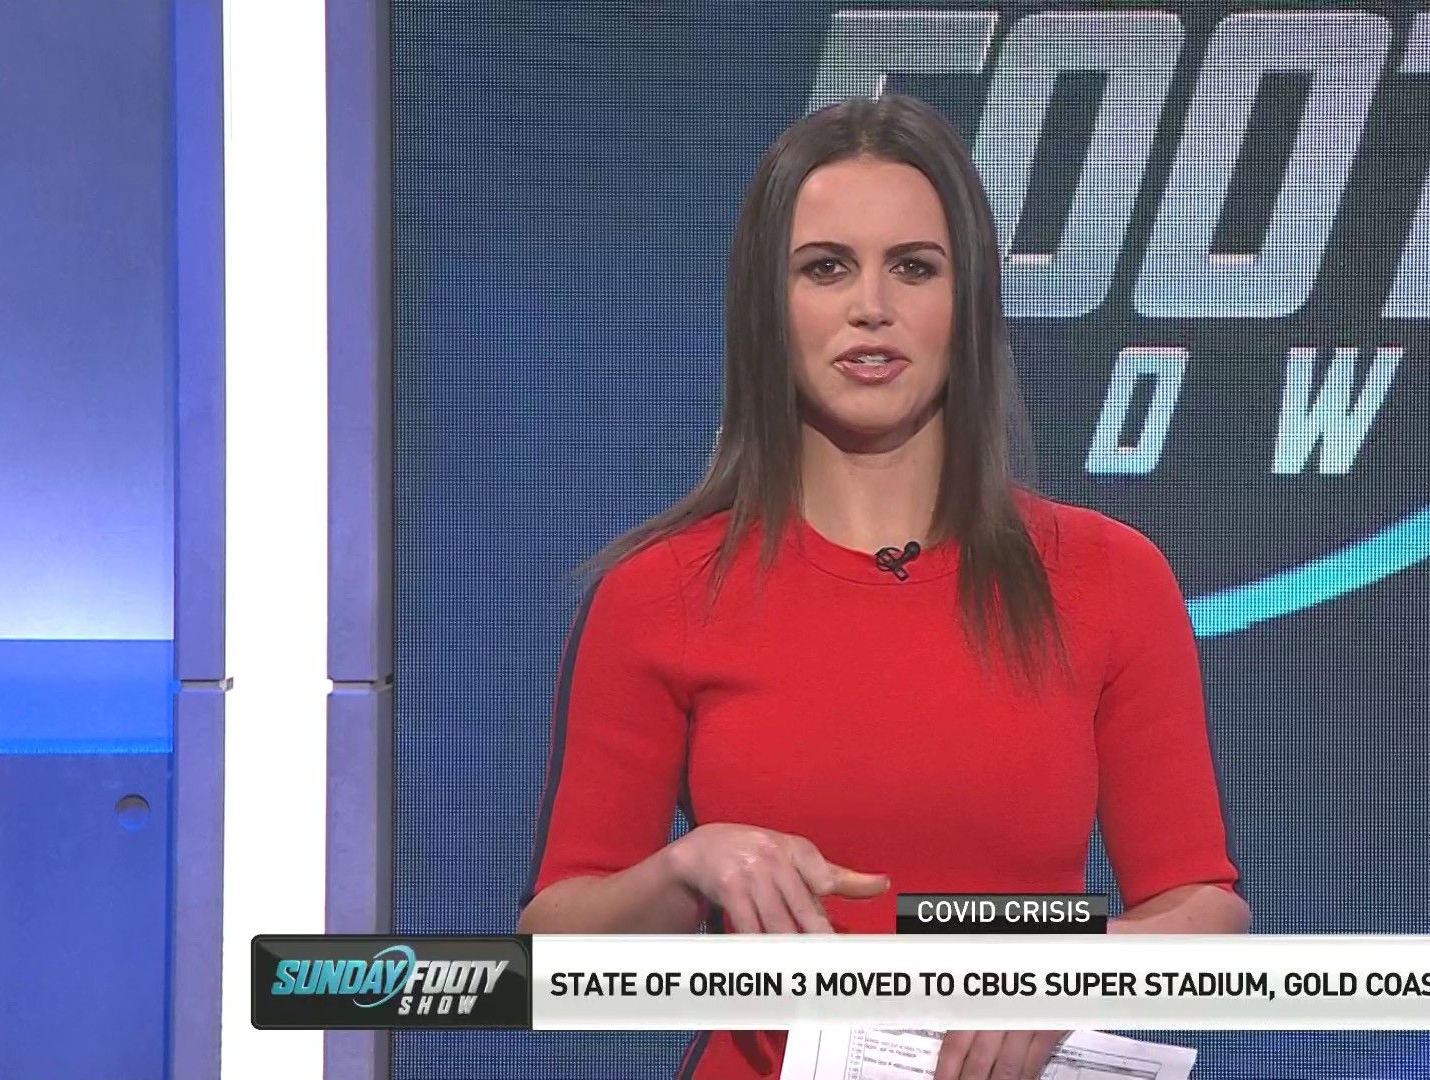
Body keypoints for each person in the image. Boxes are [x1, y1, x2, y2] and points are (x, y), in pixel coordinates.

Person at [518, 93, 1247, 1080]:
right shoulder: (661, 594)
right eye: (826, 267)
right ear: (769, 307)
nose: (873, 305)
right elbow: (553, 955)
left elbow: (1202, 909)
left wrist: (1070, 973)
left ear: (967, 301)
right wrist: (690, 866)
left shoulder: (1108, 578)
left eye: (914, 267)